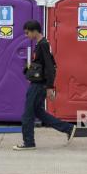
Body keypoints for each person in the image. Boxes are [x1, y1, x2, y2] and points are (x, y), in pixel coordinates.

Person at [13, 20, 76, 151]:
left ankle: (29, 142)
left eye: (27, 33)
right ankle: (68, 128)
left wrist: (49, 88)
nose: (26, 35)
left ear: (35, 31)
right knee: (39, 112)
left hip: (39, 86)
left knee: (27, 115)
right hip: (39, 84)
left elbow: (50, 67)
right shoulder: (42, 44)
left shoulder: (43, 45)